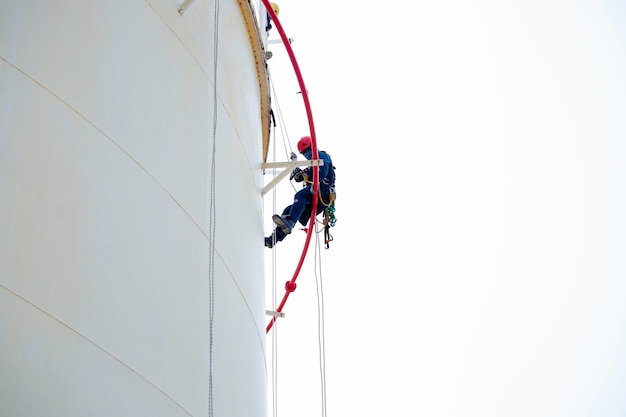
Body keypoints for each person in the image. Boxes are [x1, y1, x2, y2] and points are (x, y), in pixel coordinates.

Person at [265, 136, 335, 248]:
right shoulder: (312, 164)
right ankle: (274, 238)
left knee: (300, 195)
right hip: (315, 195)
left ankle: (290, 222)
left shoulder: (322, 156)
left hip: (324, 192)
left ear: (313, 147)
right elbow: (300, 177)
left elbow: (323, 171)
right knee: (289, 210)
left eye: (307, 152)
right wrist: (295, 164)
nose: (307, 155)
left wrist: (315, 183)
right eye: (305, 154)